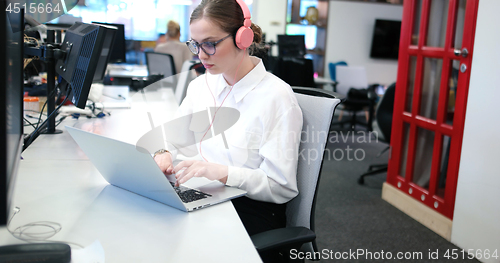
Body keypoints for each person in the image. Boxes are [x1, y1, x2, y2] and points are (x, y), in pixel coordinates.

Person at [153, 0, 302, 260]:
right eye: (195, 45)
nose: (200, 54)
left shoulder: (276, 97)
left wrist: (222, 172)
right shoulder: (201, 86)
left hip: (248, 207)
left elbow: (281, 187)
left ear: (242, 39)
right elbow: (171, 137)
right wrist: (163, 151)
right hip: (205, 193)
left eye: (210, 43)